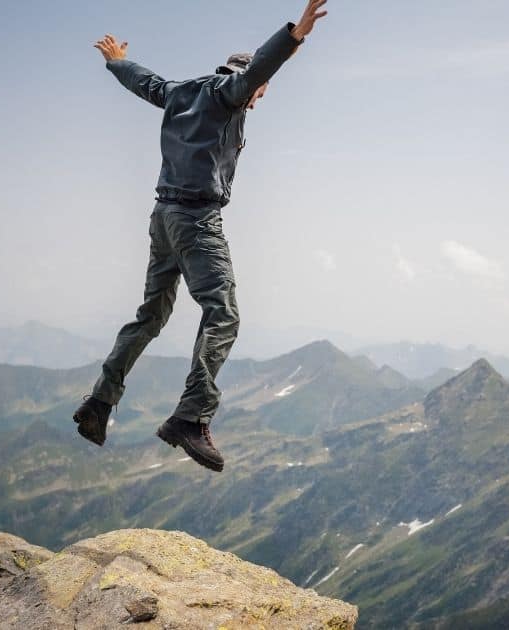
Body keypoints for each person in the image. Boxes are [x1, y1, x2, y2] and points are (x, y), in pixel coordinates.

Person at [73, 0, 328, 472]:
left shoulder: (181, 92)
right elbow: (260, 67)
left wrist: (116, 61)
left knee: (151, 315)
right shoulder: (231, 93)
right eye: (260, 89)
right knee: (223, 314)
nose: (259, 98)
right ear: (249, 81)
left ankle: (99, 403)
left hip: (163, 217)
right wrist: (295, 34)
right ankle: (191, 417)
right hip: (195, 220)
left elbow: (145, 82)